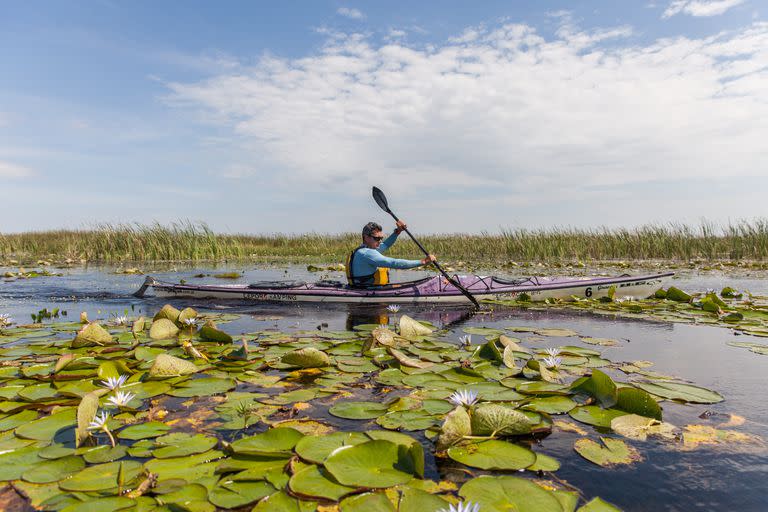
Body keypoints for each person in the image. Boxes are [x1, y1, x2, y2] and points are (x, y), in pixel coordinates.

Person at [345, 220, 437, 287]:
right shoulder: (367, 254)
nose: (380, 241)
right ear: (366, 237)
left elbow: (385, 244)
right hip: (366, 290)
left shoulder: (362, 250)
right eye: (377, 238)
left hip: (362, 287)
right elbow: (394, 263)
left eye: (381, 238)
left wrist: (398, 231)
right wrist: (423, 261)